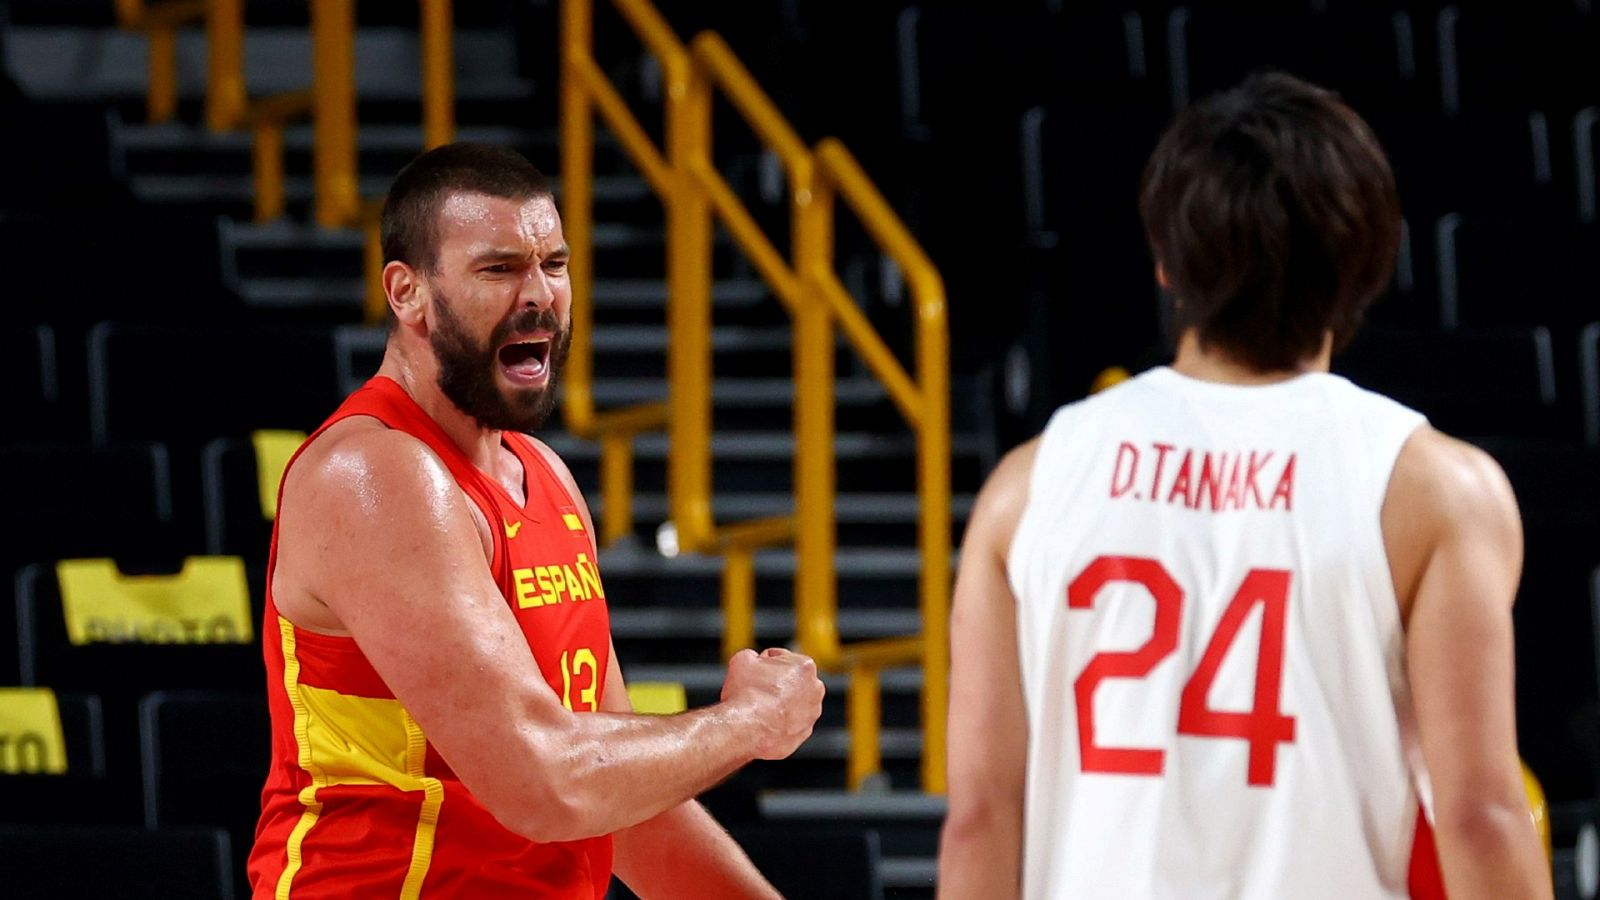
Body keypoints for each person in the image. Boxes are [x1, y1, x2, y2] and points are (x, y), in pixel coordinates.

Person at [937, 73, 1551, 900]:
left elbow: (980, 813)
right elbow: (1479, 816)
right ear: (1364, 261)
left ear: (1164, 260)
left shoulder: (1028, 484)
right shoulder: (1436, 488)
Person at [248, 143, 825, 897]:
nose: (539, 295)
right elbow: (545, 783)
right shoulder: (375, 475)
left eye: (553, 264)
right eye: (498, 269)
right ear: (406, 292)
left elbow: (625, 807)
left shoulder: (543, 475)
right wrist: (748, 723)